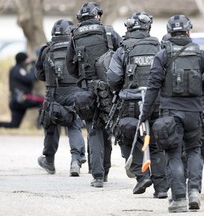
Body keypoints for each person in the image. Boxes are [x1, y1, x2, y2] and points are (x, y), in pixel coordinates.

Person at [140, 15, 204, 213]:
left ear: (169, 32)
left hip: (170, 114)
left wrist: (145, 113)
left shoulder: (162, 55)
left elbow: (152, 86)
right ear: (188, 31)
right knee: (194, 151)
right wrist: (201, 87)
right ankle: (194, 192)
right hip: (195, 113)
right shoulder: (201, 54)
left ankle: (178, 200)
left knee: (173, 155)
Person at [107, 12, 168, 198]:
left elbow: (113, 79)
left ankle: (141, 176)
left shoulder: (122, 50)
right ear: (148, 28)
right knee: (156, 142)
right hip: (156, 101)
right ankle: (161, 188)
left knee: (126, 135)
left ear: (128, 29)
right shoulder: (159, 47)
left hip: (130, 102)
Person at [66, 2, 122, 187]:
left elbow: (70, 67)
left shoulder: (75, 36)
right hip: (108, 88)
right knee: (107, 127)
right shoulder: (108, 32)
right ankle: (104, 172)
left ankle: (97, 176)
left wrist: (83, 80)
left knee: (93, 130)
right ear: (97, 16)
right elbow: (122, 56)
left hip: (87, 88)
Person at [35, 19, 86, 176]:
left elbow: (39, 75)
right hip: (75, 93)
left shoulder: (46, 50)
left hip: (52, 94)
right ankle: (76, 160)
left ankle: (49, 161)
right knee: (74, 126)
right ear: (70, 32)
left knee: (51, 127)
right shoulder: (76, 47)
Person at [0, 52, 44, 128]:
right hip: (21, 99)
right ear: (24, 60)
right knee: (44, 100)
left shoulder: (15, 69)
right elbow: (30, 79)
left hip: (15, 101)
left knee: (14, 125)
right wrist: (34, 67)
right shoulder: (18, 69)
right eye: (27, 59)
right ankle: (40, 125)